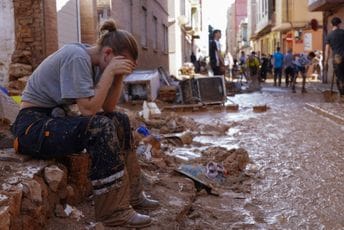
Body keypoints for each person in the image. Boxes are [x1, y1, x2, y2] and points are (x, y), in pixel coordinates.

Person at [10, 19, 159, 228]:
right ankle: (113, 212)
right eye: (121, 62)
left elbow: (108, 108)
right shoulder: (77, 57)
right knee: (100, 127)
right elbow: (88, 110)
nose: (121, 68)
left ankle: (133, 195)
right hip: (32, 126)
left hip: (54, 119)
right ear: (107, 54)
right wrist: (109, 73)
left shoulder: (97, 63)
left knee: (119, 120)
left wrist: (117, 77)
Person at [325, 16, 344, 100]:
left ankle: (342, 94)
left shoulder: (329, 36)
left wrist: (325, 61)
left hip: (337, 58)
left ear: (331, 24)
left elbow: (327, 50)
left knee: (339, 78)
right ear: (339, 24)